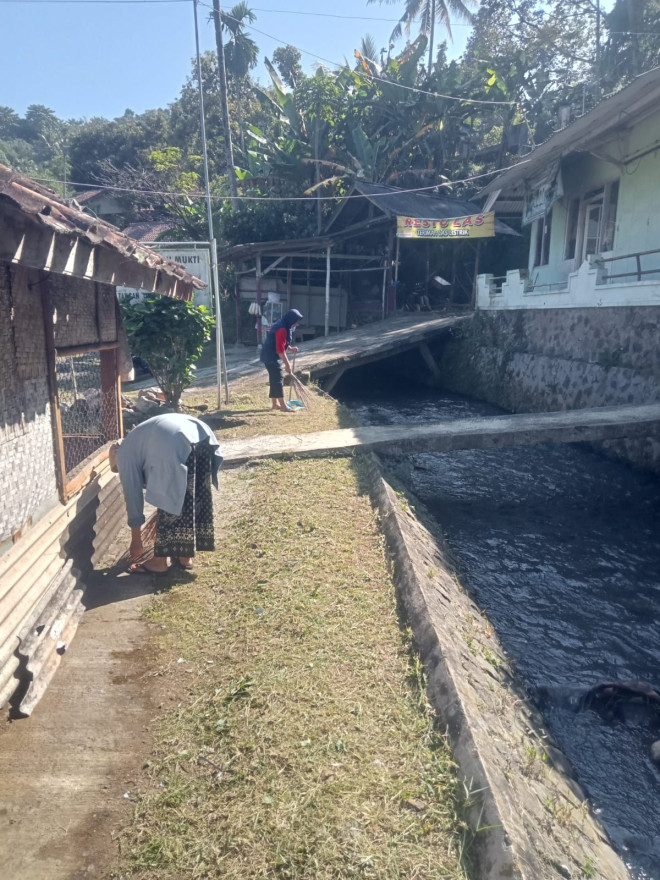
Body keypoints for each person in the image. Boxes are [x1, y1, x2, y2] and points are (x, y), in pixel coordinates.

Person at [108, 413, 223, 575]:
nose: (120, 472)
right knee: (191, 494)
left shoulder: (124, 454)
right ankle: (184, 556)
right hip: (200, 434)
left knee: (168, 497)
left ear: (116, 456)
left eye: (117, 469)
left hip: (173, 440)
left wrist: (136, 541)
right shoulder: (139, 441)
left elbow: (133, 497)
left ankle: (158, 563)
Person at [259, 308, 303, 412]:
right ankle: (283, 406)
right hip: (270, 356)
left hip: (270, 355)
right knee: (278, 380)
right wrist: (288, 365)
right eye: (295, 322)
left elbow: (282, 343)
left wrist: (290, 348)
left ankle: (275, 404)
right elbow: (280, 350)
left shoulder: (285, 325)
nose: (296, 324)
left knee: (274, 379)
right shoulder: (281, 329)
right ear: (291, 320)